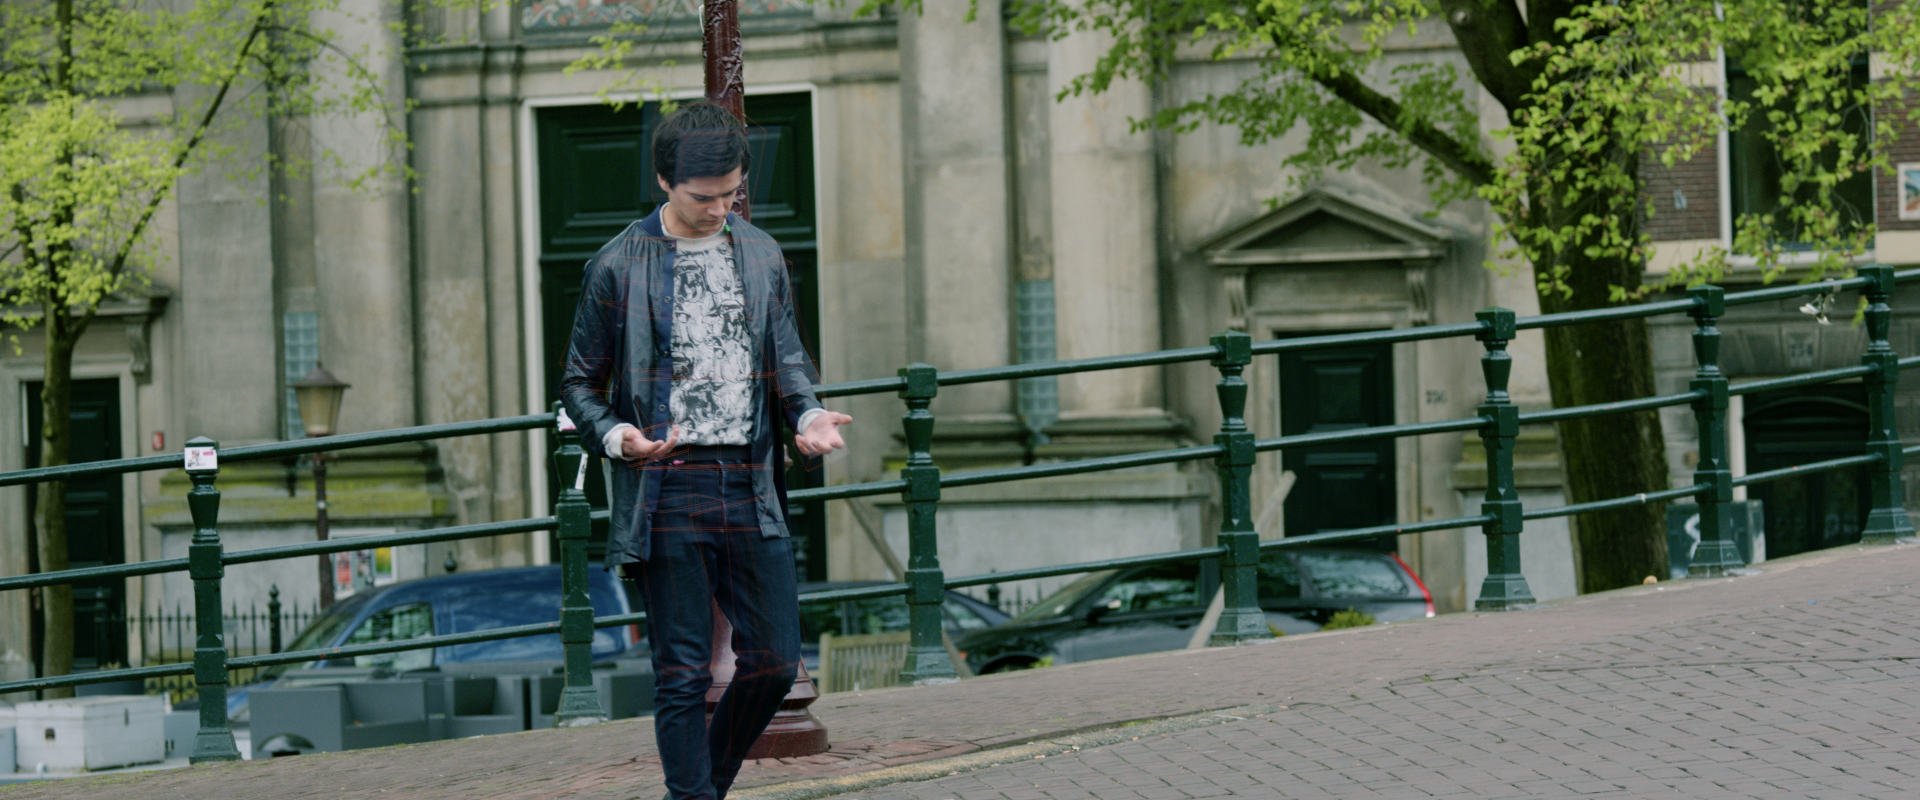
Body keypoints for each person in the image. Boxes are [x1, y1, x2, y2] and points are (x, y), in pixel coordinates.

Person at [560, 101, 852, 800]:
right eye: (703, 197)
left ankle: (697, 793)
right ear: (664, 181)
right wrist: (617, 437)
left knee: (775, 661)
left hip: (751, 482)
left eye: (731, 193)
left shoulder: (762, 253)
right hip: (666, 486)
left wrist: (810, 415)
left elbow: (788, 363)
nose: (720, 209)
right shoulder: (616, 265)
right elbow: (578, 385)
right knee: (683, 673)